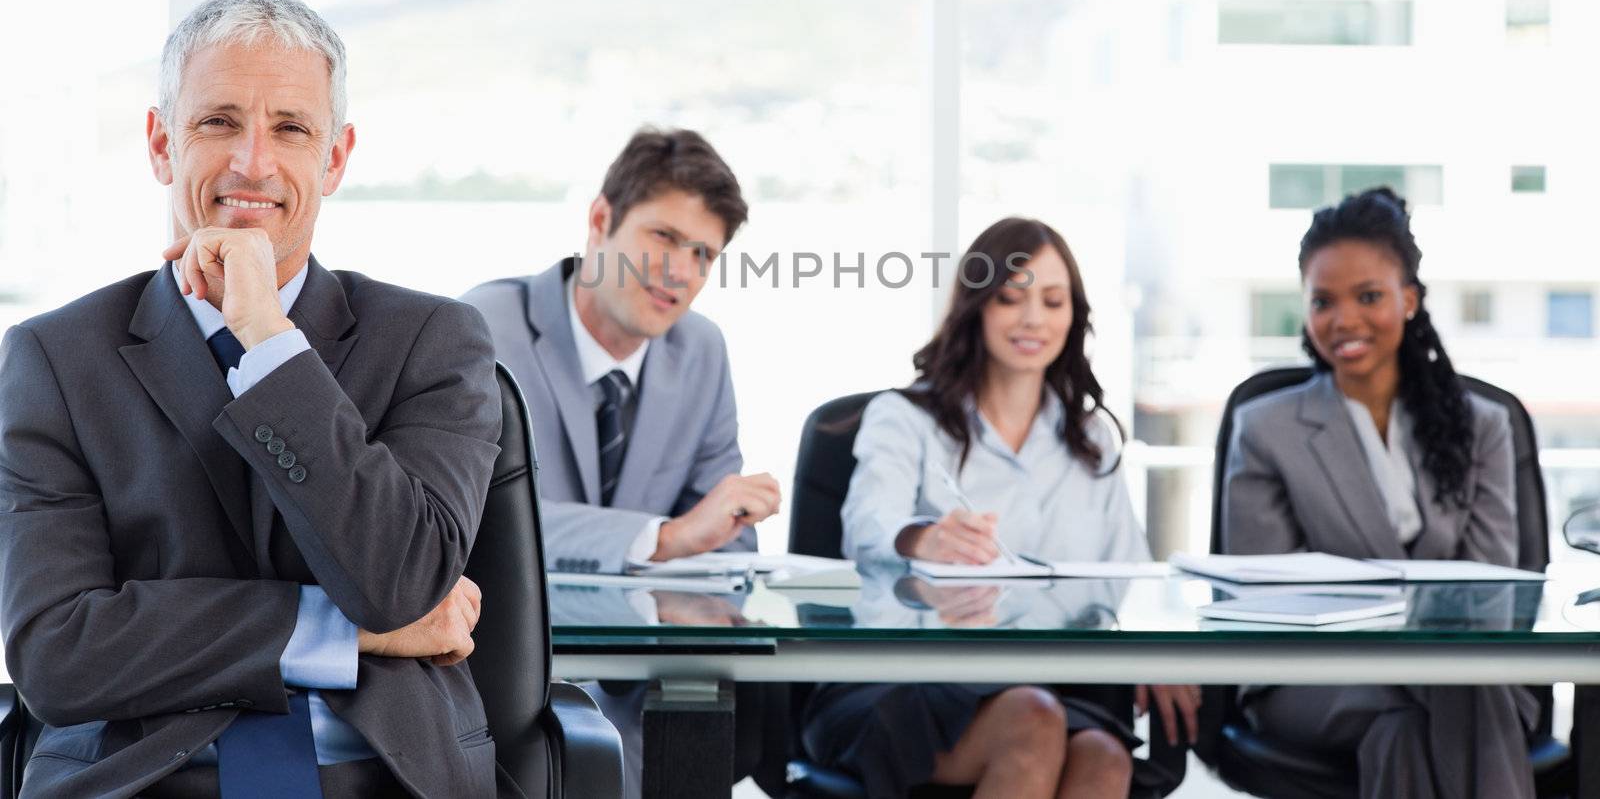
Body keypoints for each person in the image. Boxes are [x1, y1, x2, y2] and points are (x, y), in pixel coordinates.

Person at [0, 0, 508, 797]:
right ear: (162, 143)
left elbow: (403, 582)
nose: (253, 162)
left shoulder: (435, 341)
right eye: (219, 122)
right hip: (148, 779)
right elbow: (58, 655)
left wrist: (272, 346)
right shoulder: (54, 359)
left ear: (335, 158)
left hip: (382, 775)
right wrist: (347, 634)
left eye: (291, 128)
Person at [803, 217, 1200, 799]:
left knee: (1104, 756)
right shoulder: (904, 417)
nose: (1034, 318)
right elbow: (866, 524)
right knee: (1032, 723)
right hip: (903, 682)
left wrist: (1153, 648)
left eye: (1053, 300)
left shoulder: (1090, 439)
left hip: (1050, 682)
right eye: (1011, 298)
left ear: (1074, 314)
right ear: (977, 308)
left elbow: (1127, 575)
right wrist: (925, 540)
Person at [461, 126, 779, 799]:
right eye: (664, 238)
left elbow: (730, 535)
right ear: (601, 219)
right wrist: (662, 538)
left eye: (703, 253)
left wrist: (703, 533)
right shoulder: (485, 326)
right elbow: (476, 526)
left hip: (654, 696)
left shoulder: (702, 351)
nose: (681, 272)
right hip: (508, 689)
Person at [1222, 186, 1535, 799]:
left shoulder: (1484, 424)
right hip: (1313, 677)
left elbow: (1494, 584)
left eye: (1368, 296)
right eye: (1323, 301)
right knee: (1451, 700)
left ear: (1409, 300)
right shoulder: (1265, 428)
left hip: (1459, 671)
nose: (1344, 321)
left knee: (1407, 724)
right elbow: (1270, 598)